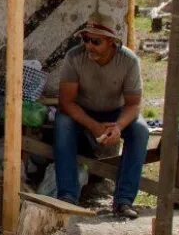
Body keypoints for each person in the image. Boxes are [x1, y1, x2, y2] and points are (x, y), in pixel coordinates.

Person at [53, 14, 148, 219]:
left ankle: (123, 201)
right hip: (82, 110)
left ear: (111, 41)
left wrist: (119, 127)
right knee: (62, 124)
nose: (89, 46)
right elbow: (66, 102)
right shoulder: (74, 57)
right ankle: (68, 196)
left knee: (140, 130)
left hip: (116, 111)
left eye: (96, 41)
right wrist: (94, 126)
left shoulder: (129, 61)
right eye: (85, 39)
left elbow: (133, 105)